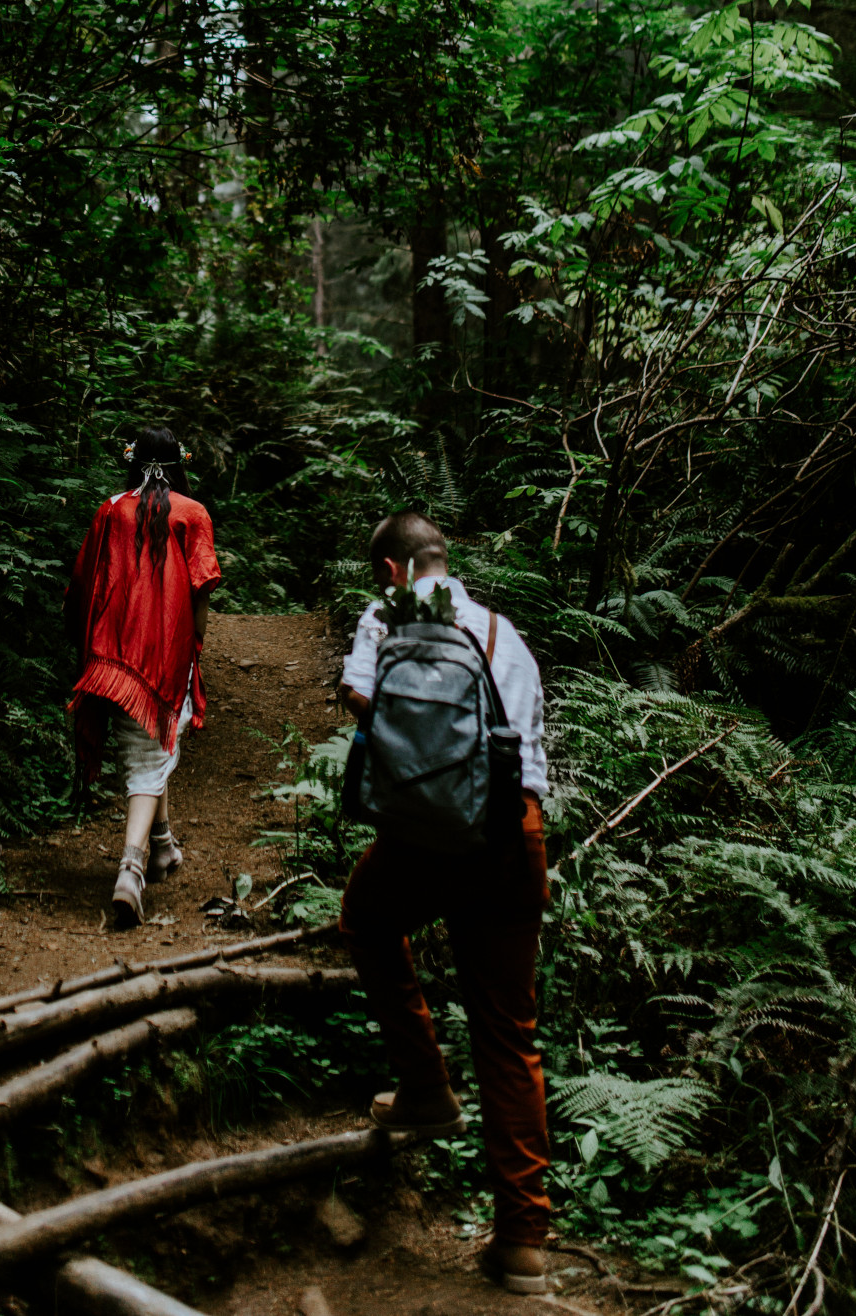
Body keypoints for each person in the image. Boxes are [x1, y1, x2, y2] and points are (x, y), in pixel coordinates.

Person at [338, 509, 552, 1297]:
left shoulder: (385, 615)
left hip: (427, 838)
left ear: (394, 572)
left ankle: (426, 1086)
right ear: (445, 559)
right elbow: (525, 740)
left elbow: (361, 699)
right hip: (512, 834)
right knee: (507, 1030)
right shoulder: (503, 631)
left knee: (366, 920)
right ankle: (523, 1241)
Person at [64, 426, 221, 928]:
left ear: (131, 461)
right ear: (180, 464)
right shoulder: (192, 513)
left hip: (112, 655)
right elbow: (200, 593)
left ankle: (162, 847)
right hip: (164, 653)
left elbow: (85, 582)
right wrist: (195, 645)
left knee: (151, 748)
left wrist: (88, 644)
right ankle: (130, 871)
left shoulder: (110, 510)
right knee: (148, 756)